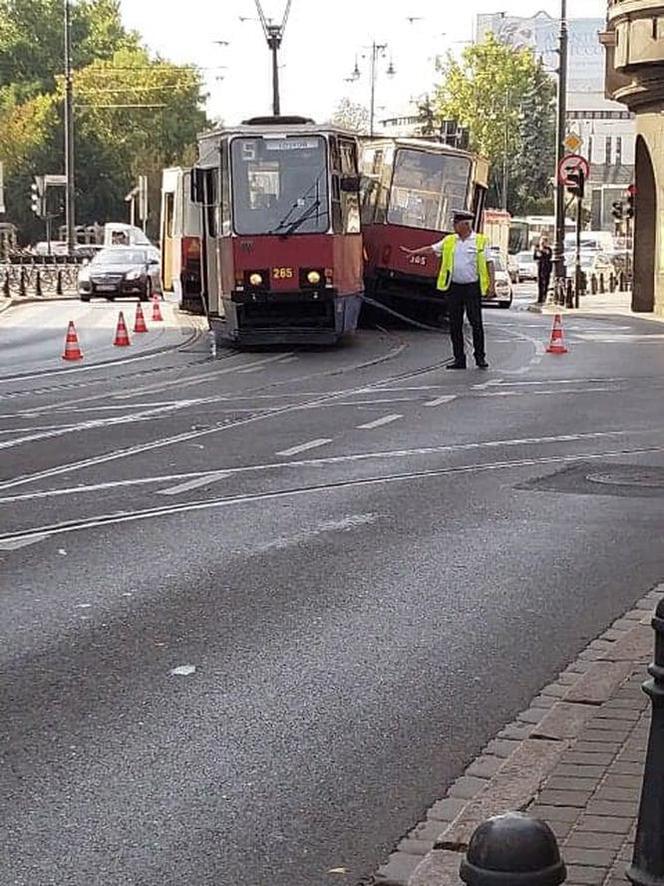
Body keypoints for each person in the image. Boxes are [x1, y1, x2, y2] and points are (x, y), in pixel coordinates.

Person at [400, 210, 495, 370]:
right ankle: (459, 359)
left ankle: (480, 357)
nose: (453, 227)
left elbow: (489, 263)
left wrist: (492, 285)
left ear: (465, 224)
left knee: (476, 323)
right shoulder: (450, 240)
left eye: (456, 224)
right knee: (455, 324)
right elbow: (432, 249)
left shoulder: (480, 241)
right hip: (454, 288)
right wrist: (414, 252)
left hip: (472, 287)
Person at [533, 236, 553, 304]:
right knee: (540, 283)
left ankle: (544, 297)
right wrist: (539, 251)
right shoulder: (537, 248)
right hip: (540, 267)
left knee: (546, 283)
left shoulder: (549, 249)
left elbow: (549, 256)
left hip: (547, 268)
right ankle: (540, 298)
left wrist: (543, 251)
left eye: (544, 242)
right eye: (541, 241)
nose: (542, 243)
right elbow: (535, 257)